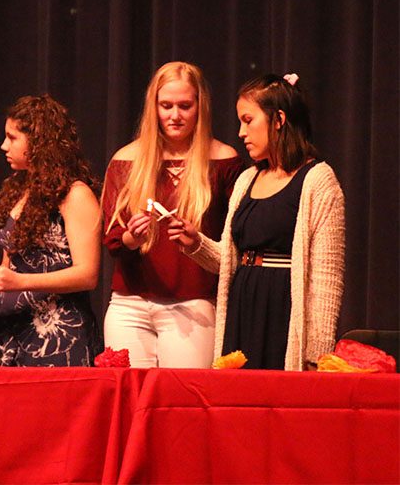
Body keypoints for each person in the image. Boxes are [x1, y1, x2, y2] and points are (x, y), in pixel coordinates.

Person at [169, 73, 345, 370]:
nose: (241, 132)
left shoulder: (317, 180)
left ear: (278, 119)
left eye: (248, 120)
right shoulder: (248, 179)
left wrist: (317, 355)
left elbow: (327, 278)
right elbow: (231, 259)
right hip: (243, 306)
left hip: (282, 311)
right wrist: (196, 243)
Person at [101, 61, 242, 368]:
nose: (174, 116)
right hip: (130, 305)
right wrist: (131, 238)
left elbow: (235, 240)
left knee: (182, 403)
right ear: (154, 107)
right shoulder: (126, 160)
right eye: (166, 106)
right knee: (129, 399)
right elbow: (111, 240)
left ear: (200, 107)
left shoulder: (224, 161)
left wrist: (196, 242)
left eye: (184, 106)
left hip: (192, 304)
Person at [0, 94, 102, 367]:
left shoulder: (75, 194)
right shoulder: (22, 191)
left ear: (39, 141)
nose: (3, 145)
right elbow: (12, 269)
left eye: (12, 137)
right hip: (13, 330)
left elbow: (87, 274)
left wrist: (19, 283)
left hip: (57, 335)